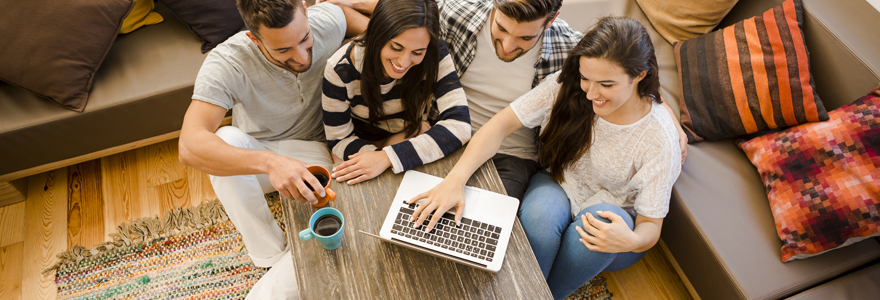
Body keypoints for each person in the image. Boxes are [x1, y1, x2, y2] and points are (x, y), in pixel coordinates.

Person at [407, 17, 682, 300]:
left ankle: (541, 294)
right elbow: (499, 126)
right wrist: (455, 181)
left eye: (607, 84)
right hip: (558, 184)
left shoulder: (659, 138)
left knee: (595, 224)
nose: (591, 93)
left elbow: (651, 226)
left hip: (615, 229)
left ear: (640, 76)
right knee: (539, 221)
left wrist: (632, 239)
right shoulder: (567, 86)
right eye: (586, 78)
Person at [319, 0, 687, 200]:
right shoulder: (457, 14)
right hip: (442, 134)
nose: (509, 46)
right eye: (502, 28)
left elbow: (630, 71)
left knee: (481, 230)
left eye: (524, 38)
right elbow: (400, 19)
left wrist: (669, 122)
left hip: (514, 156)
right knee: (402, 207)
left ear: (553, 18)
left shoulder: (571, 49)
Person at [177, 0, 366, 298]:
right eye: (283, 50)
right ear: (254, 38)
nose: (301, 56)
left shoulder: (324, 21)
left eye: (305, 39)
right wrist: (269, 163)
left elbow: (346, 15)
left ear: (305, 10)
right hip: (257, 152)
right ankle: (271, 255)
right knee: (224, 138)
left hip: (317, 149)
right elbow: (189, 146)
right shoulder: (228, 61)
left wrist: (386, 39)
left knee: (346, 219)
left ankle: (279, 278)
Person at [322, 0, 471, 185]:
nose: (403, 62)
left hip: (405, 140)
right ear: (377, 34)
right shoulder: (340, 68)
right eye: (396, 47)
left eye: (417, 52)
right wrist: (381, 155)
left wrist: (387, 157)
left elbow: (460, 125)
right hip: (361, 147)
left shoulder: (435, 53)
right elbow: (338, 140)